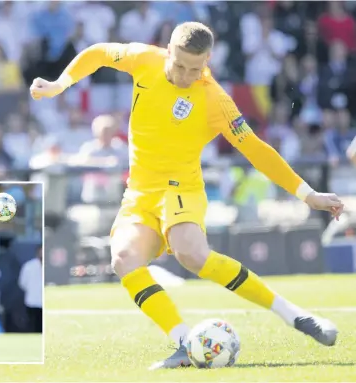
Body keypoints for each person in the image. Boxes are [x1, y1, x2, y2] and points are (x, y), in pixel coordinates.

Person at [30, 21, 344, 369]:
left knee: (191, 254)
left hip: (182, 187)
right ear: (169, 50)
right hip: (139, 193)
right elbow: (99, 53)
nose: (184, 75)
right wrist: (61, 84)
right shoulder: (144, 59)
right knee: (123, 259)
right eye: (179, 65)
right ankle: (184, 342)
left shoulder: (215, 99)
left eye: (195, 69)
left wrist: (307, 193)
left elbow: (256, 149)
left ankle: (294, 315)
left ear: (207, 60)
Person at [18, 246, 43, 333]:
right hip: (32, 301)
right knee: (32, 325)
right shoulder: (29, 266)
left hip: (44, 301)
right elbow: (22, 283)